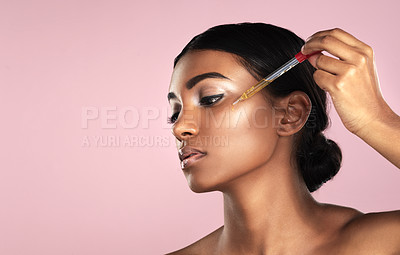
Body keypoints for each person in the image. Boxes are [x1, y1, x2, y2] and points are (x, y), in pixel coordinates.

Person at [166, 23, 400, 254]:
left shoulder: (383, 245)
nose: (180, 127)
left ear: (290, 114)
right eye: (175, 112)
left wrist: (376, 121)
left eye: (209, 98)